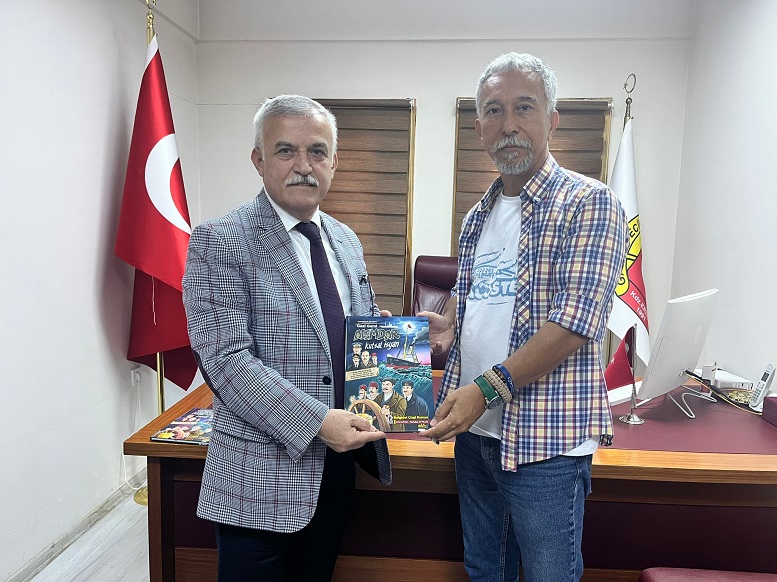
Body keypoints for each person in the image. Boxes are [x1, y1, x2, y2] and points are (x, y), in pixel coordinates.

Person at [419, 53, 627, 582]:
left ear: (552, 119)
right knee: (485, 571)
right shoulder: (477, 217)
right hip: (476, 437)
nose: (508, 124)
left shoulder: (589, 204)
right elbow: (479, 301)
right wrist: (449, 328)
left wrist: (485, 389)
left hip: (546, 445)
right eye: (494, 110)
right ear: (479, 127)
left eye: (524, 107)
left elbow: (575, 323)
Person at [182, 94, 392, 582]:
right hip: (259, 478)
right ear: (259, 160)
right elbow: (226, 362)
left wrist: (378, 336)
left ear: (334, 162)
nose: (303, 165)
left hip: (336, 468)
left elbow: (345, 330)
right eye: (285, 151)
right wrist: (318, 422)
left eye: (317, 151)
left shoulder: (345, 240)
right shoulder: (220, 240)